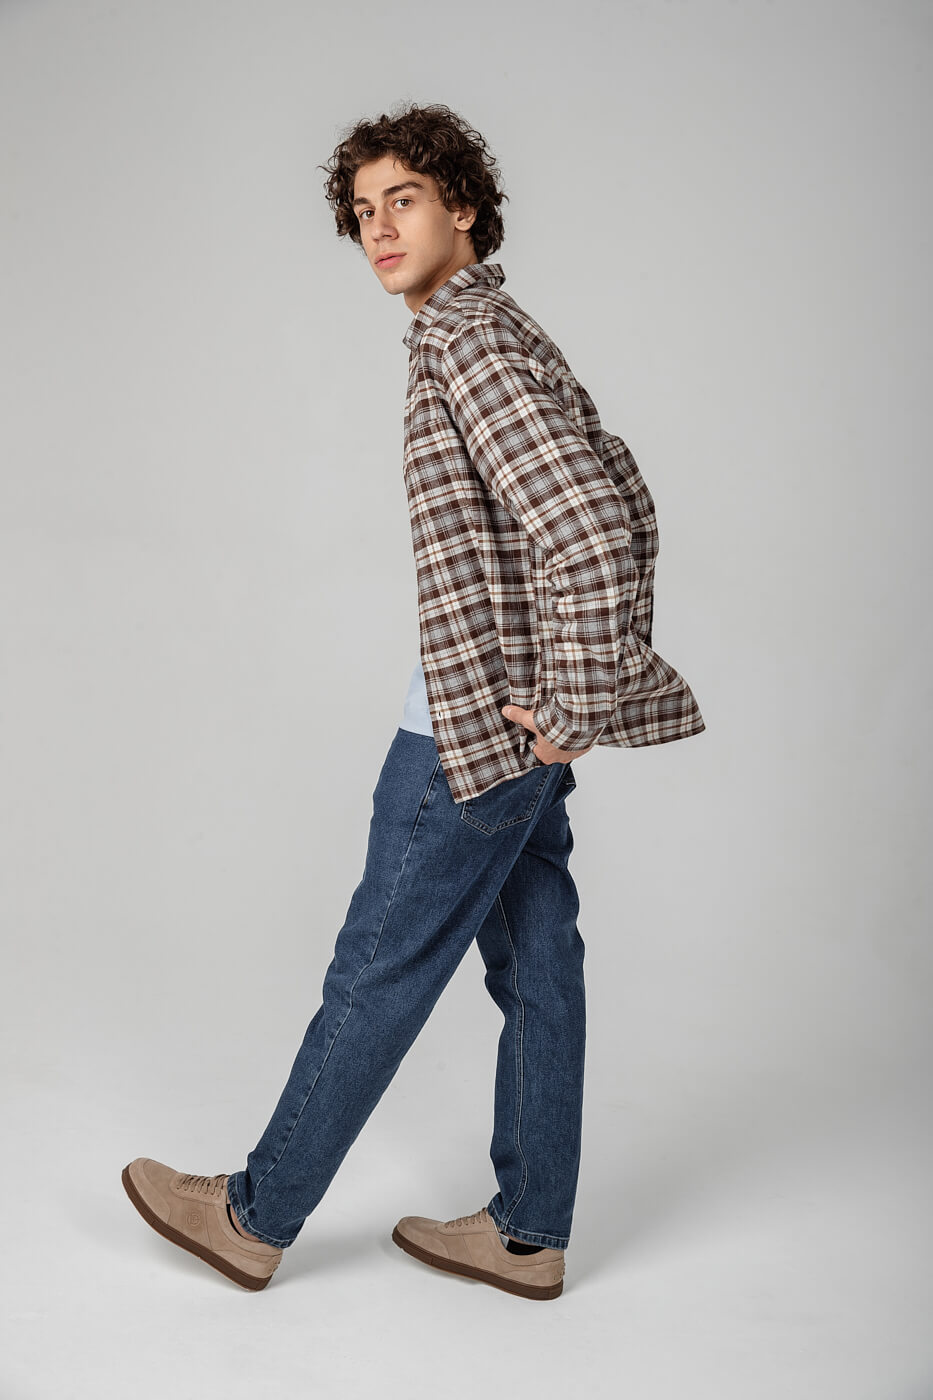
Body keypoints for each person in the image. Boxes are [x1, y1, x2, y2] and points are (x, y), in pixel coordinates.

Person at [122, 102, 705, 1302]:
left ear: (465, 208)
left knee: (379, 964)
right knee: (538, 955)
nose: (379, 228)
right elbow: (621, 493)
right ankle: (529, 1231)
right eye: (363, 210)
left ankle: (254, 1213)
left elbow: (594, 529)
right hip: (511, 721)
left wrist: (571, 699)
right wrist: (565, 700)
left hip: (472, 727)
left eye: (405, 200)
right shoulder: (495, 326)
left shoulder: (465, 340)